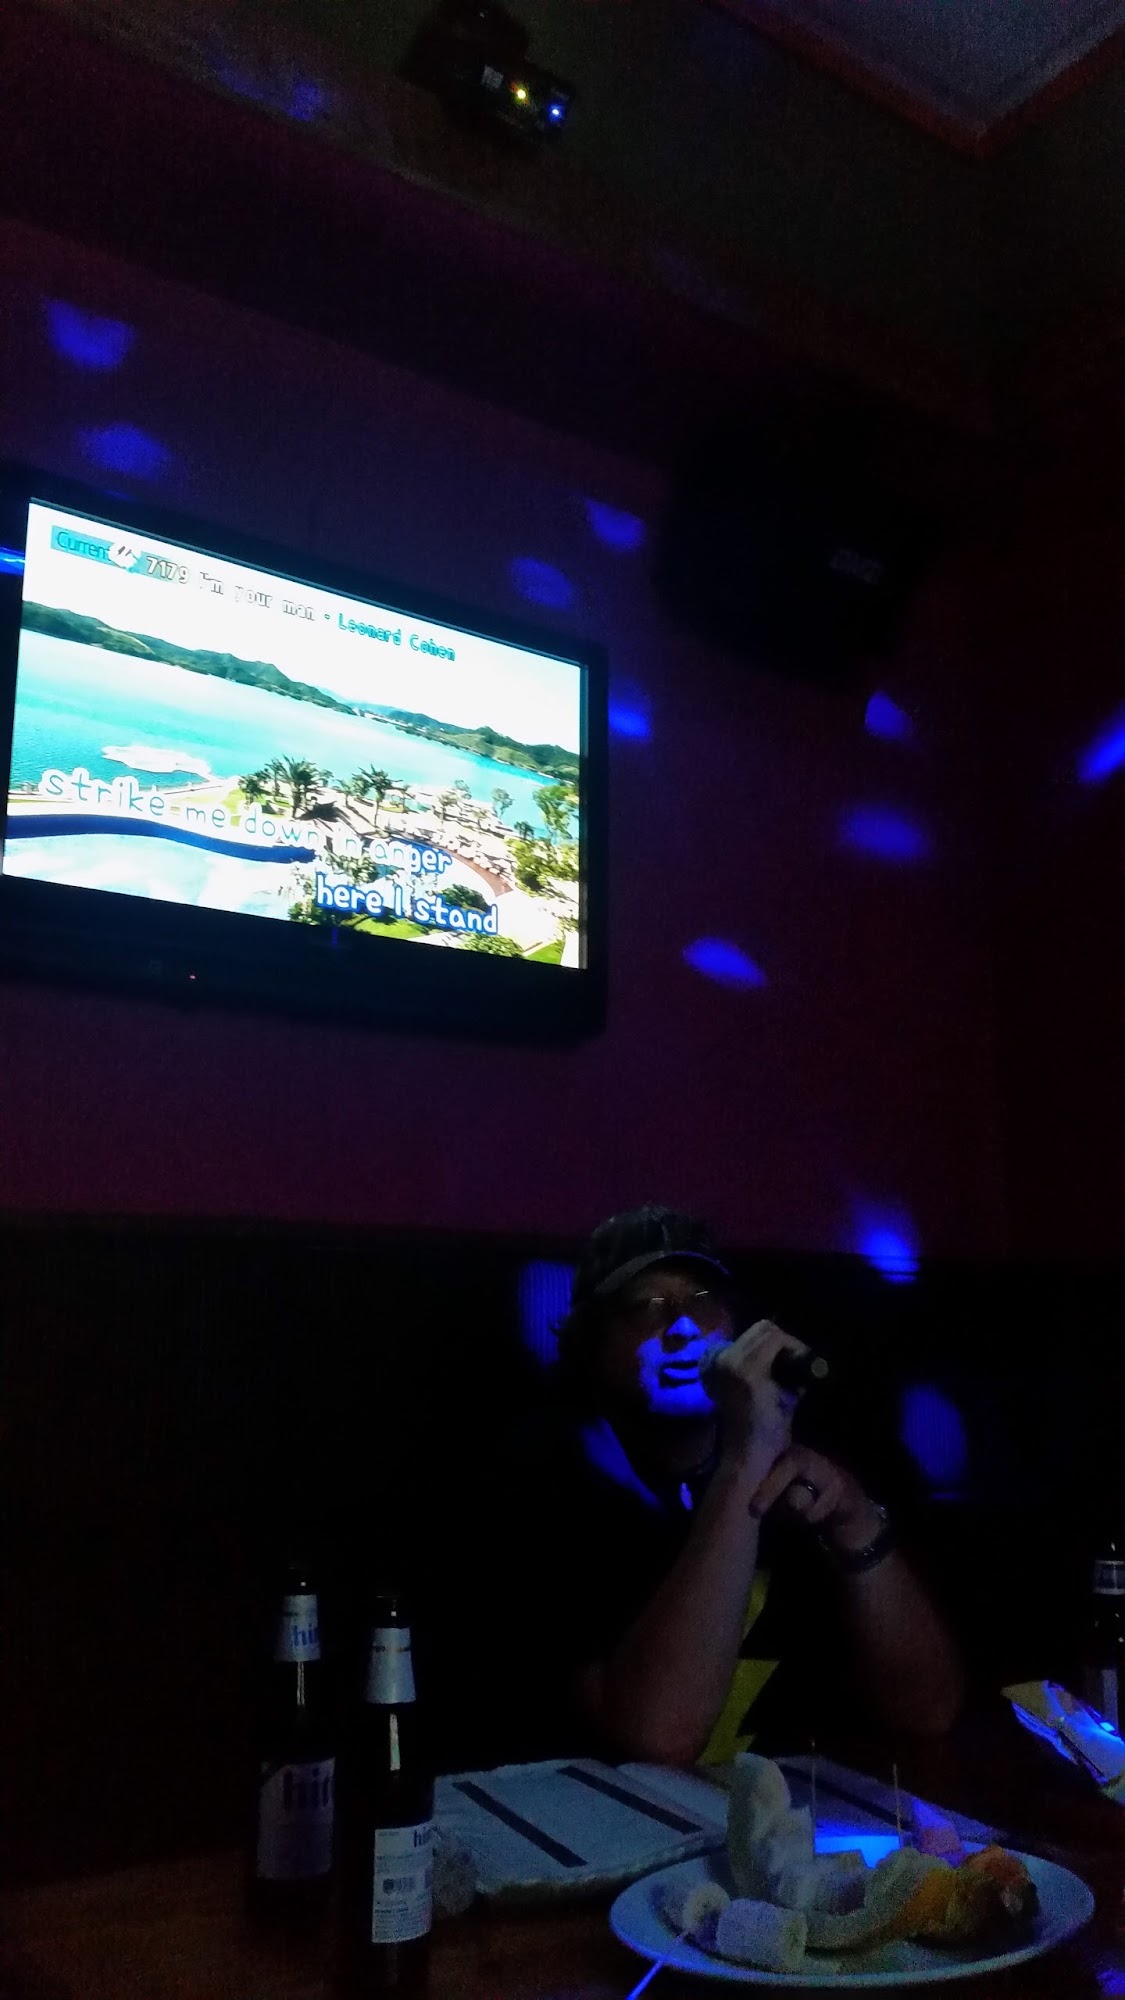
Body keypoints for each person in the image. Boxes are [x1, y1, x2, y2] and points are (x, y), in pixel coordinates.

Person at [472, 1204, 965, 1771]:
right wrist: (745, 1462)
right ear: (589, 1343)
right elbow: (658, 1739)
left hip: (785, 1814)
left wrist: (856, 1522)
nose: (683, 1327)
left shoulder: (807, 1449)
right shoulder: (544, 1478)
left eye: (703, 1300)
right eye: (648, 1306)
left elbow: (929, 1710)